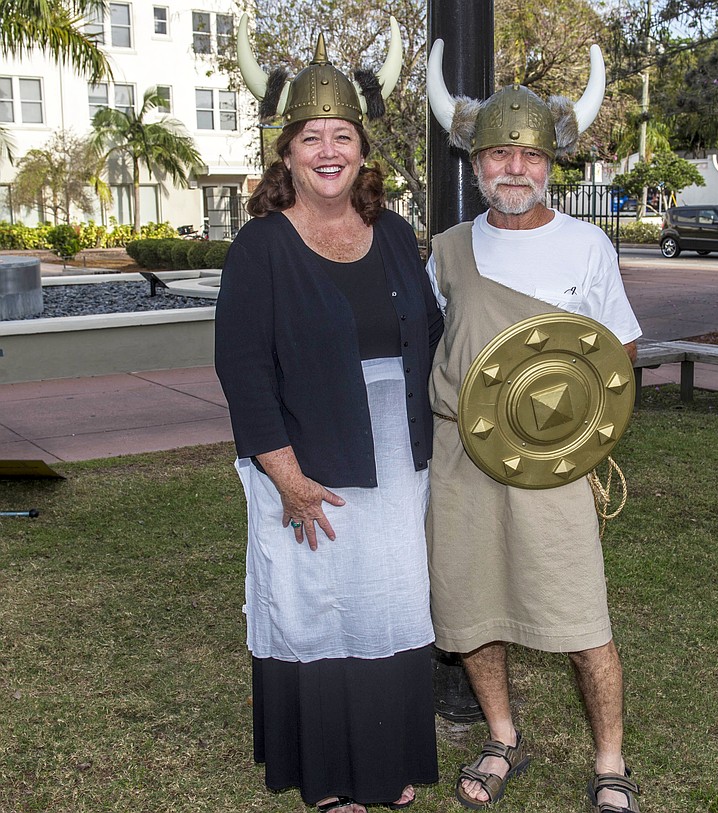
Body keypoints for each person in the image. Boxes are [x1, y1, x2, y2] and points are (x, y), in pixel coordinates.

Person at [215, 19, 443, 813]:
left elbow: (433, 342)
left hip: (394, 453)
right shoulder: (260, 248)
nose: (326, 149)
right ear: (286, 154)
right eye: (309, 136)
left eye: (341, 133)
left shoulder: (395, 237)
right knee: (317, 608)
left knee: (390, 601)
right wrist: (287, 477)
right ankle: (329, 777)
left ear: (361, 148)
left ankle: (387, 762)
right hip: (302, 457)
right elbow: (242, 370)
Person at [425, 40, 642, 813]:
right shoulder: (447, 251)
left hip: (552, 462)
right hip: (461, 457)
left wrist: (575, 436)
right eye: (496, 155)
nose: (512, 169)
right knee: (472, 605)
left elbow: (617, 357)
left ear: (552, 163)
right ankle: (502, 733)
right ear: (474, 165)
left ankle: (610, 759)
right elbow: (431, 341)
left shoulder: (589, 246)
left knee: (582, 617)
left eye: (527, 155)